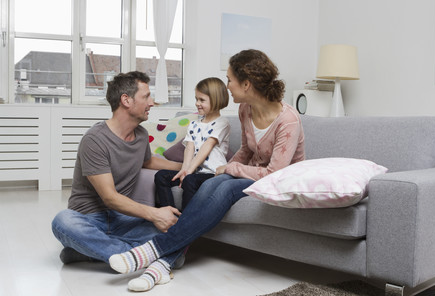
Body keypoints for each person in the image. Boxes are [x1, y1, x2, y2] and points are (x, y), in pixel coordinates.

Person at [108, 49, 305, 292]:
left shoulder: (288, 120)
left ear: (246, 83)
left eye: (230, 80)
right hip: (252, 173)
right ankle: (161, 265)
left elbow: (274, 172)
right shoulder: (246, 110)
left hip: (277, 180)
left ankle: (152, 250)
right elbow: (245, 150)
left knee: (226, 186)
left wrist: (232, 168)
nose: (228, 86)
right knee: (213, 182)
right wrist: (225, 168)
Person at [51, 71, 184, 267]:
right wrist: (155, 214)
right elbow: (110, 198)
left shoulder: (140, 135)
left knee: (178, 247)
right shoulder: (95, 140)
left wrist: (187, 166)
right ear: (126, 100)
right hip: (89, 219)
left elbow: (148, 162)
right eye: (146, 96)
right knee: (62, 221)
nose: (152, 103)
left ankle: (89, 252)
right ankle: (130, 255)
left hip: (123, 220)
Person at [155, 77, 230, 211]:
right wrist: (185, 170)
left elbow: (207, 146)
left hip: (213, 174)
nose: (197, 103)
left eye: (202, 100)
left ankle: (186, 223)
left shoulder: (222, 123)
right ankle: (170, 214)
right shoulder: (194, 124)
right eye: (196, 99)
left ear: (216, 100)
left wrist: (188, 173)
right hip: (194, 172)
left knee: (189, 181)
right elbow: (189, 148)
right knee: (161, 176)